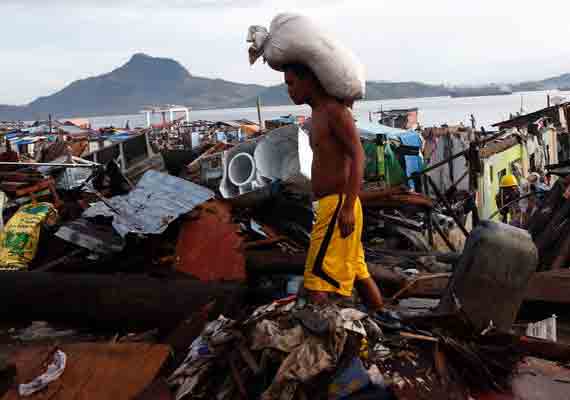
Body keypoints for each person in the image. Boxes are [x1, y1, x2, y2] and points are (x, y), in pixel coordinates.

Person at [283, 63, 384, 311]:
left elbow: (359, 156)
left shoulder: (334, 112)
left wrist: (348, 207)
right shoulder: (318, 115)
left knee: (318, 282)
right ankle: (384, 318)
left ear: (310, 81)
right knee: (359, 272)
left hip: (338, 207)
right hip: (332, 206)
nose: (289, 90)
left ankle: (328, 342)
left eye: (292, 83)